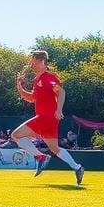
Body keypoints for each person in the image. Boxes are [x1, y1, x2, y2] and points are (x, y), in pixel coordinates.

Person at [12, 50, 84, 185]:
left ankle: (40, 157)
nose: (31, 64)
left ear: (42, 62)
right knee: (55, 149)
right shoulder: (37, 80)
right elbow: (32, 97)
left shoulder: (48, 77)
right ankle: (77, 167)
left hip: (45, 117)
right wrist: (20, 87)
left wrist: (59, 109)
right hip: (48, 119)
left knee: (15, 136)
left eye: (33, 61)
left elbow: (61, 91)